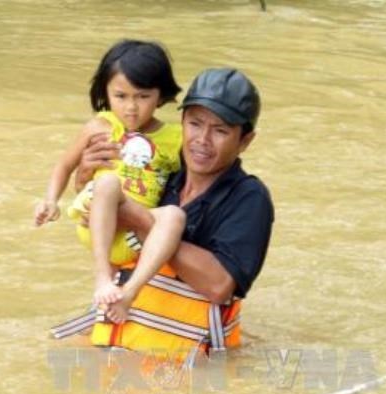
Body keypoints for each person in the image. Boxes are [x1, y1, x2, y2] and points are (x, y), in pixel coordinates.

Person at [60, 67, 274, 361]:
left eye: (220, 130)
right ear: (182, 123)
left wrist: (140, 221)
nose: (202, 139)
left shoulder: (249, 198)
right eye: (195, 124)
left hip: (184, 362)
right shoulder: (164, 173)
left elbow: (219, 285)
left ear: (245, 141)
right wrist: (85, 179)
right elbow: (110, 212)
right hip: (120, 332)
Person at [35, 39, 186, 323]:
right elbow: (65, 165)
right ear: (105, 91)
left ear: (161, 94)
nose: (131, 108)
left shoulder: (176, 138)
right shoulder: (100, 125)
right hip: (95, 220)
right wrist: (50, 200)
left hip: (139, 234)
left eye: (142, 97)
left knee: (175, 216)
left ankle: (128, 293)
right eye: (121, 96)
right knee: (108, 184)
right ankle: (102, 276)